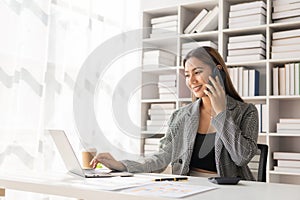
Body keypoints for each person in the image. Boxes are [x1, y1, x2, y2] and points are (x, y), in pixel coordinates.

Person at [91, 46, 259, 180]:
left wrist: (221, 112)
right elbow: (162, 157)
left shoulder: (246, 112)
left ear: (217, 70)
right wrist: (122, 165)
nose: (191, 81)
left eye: (197, 72)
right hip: (188, 188)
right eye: (187, 75)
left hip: (228, 193)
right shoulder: (180, 116)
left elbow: (241, 157)